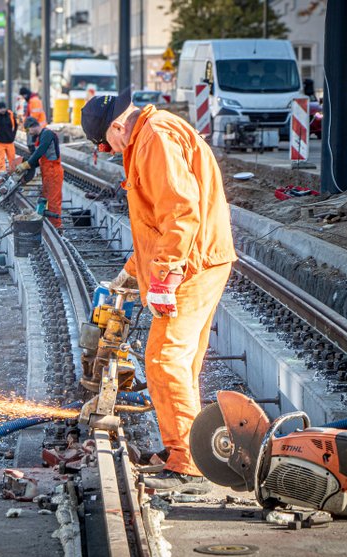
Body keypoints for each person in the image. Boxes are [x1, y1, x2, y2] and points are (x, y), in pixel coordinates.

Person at [81, 90, 237, 494]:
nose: (109, 152)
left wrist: (165, 274)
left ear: (117, 126)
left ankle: (188, 464)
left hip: (190, 265)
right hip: (196, 260)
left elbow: (180, 212)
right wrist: (131, 273)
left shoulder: (155, 138)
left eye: (105, 144)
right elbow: (155, 225)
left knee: (164, 360)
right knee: (180, 363)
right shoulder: (150, 136)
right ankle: (190, 450)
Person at [15, 116, 63, 230]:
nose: (29, 133)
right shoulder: (42, 136)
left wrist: (27, 164)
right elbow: (38, 160)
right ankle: (49, 224)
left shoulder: (47, 134)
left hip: (53, 172)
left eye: (28, 130)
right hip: (48, 173)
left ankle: (56, 228)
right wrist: (28, 167)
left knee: (53, 201)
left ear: (32, 126)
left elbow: (40, 152)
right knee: (46, 198)